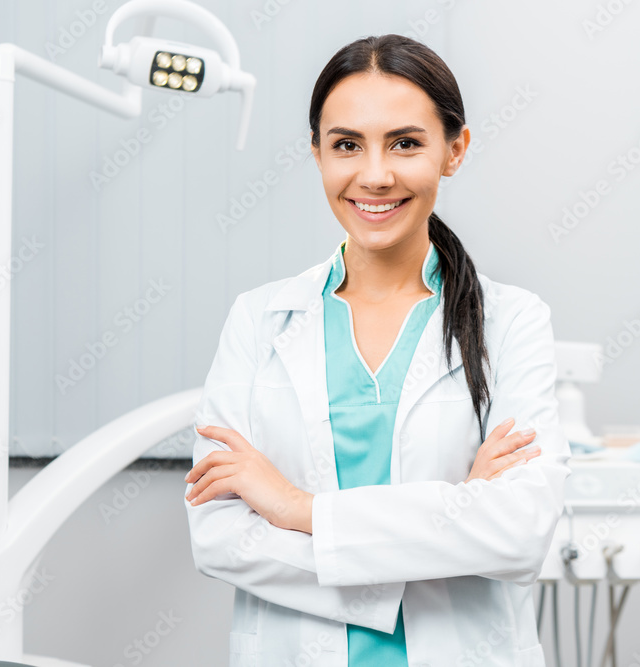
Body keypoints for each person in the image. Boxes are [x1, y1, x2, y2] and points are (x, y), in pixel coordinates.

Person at [183, 34, 571, 666]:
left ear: (455, 149)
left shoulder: (512, 321)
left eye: (406, 143)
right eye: (346, 145)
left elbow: (519, 531)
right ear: (316, 154)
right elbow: (220, 537)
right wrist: (452, 520)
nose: (374, 175)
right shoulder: (260, 320)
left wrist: (295, 508)